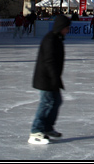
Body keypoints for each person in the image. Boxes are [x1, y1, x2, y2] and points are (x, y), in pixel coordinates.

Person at [30, 13, 71, 145]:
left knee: (56, 101)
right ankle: (36, 131)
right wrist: (54, 79)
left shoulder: (57, 38)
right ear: (61, 27)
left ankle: (47, 128)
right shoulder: (50, 40)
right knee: (46, 103)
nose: (68, 30)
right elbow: (49, 61)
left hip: (52, 78)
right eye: (67, 28)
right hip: (45, 79)